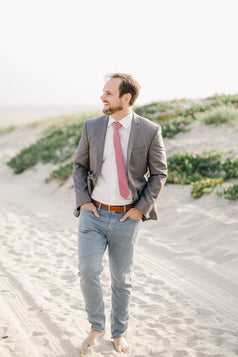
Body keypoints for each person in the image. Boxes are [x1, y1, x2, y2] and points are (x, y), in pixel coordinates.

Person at [73, 73, 167, 354]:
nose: (102, 97)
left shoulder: (149, 130)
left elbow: (159, 173)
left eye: (109, 94)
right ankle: (97, 326)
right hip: (94, 215)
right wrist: (84, 201)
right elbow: (79, 166)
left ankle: (119, 333)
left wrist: (140, 210)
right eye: (103, 92)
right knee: (88, 272)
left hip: (128, 218)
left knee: (122, 280)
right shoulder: (92, 126)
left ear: (126, 98)